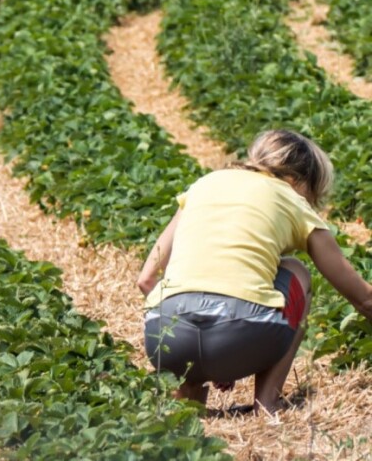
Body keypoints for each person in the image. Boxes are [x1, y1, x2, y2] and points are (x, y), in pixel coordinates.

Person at [138, 129, 372, 413]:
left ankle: (188, 403)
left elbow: (147, 278)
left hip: (165, 340)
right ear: (299, 181)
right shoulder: (291, 197)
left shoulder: (204, 184)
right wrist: (228, 348)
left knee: (184, 296)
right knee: (297, 271)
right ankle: (267, 402)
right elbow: (364, 300)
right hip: (240, 336)